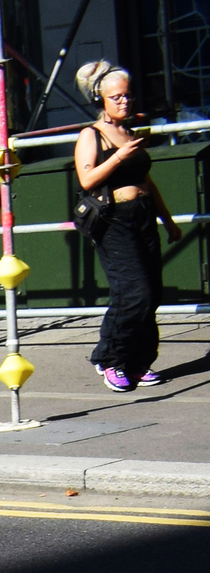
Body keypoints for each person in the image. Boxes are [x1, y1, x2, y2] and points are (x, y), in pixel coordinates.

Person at [74, 59, 180, 391]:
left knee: (152, 293)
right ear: (100, 100)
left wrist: (168, 221)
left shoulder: (130, 133)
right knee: (134, 292)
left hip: (143, 215)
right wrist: (119, 156)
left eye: (128, 96)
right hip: (114, 221)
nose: (125, 101)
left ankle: (139, 362)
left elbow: (147, 181)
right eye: (117, 97)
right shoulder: (91, 135)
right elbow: (87, 178)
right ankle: (109, 358)